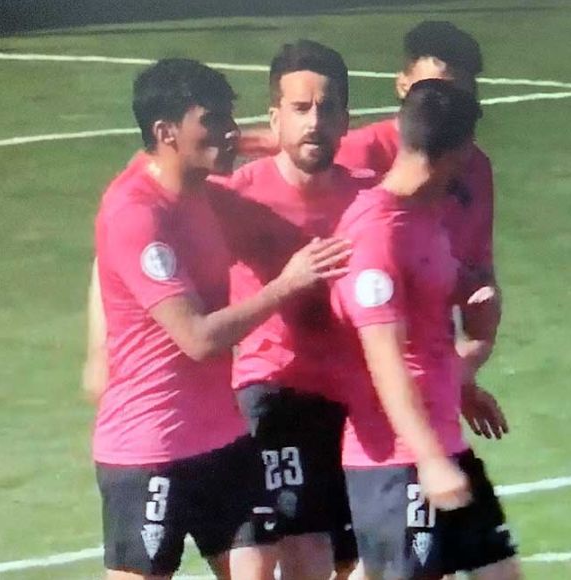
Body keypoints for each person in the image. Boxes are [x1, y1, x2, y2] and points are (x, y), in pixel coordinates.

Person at [92, 58, 350, 580]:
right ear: (166, 133)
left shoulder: (200, 192)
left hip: (223, 441)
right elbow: (198, 338)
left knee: (258, 570)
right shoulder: (137, 216)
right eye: (212, 121)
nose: (228, 131)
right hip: (150, 450)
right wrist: (287, 284)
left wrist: (277, 140)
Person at [239, 22, 507, 438]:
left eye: (458, 92)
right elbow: (305, 149)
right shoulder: (360, 158)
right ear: (403, 86)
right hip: (310, 380)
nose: (443, 104)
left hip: (397, 376)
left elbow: (471, 274)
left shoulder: (472, 168)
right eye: (432, 88)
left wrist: (459, 377)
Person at [331, 79, 520, 580]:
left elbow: (427, 330)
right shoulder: (375, 238)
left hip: (445, 443)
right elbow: (385, 360)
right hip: (399, 462)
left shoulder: (424, 217)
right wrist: (429, 459)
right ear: (457, 152)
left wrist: (461, 379)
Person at [209, 40, 374, 580]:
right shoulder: (238, 196)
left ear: (346, 118)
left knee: (357, 562)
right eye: (301, 109)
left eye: (328, 109)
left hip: (356, 402)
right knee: (298, 554)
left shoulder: (368, 201)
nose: (315, 122)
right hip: (276, 393)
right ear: (274, 118)